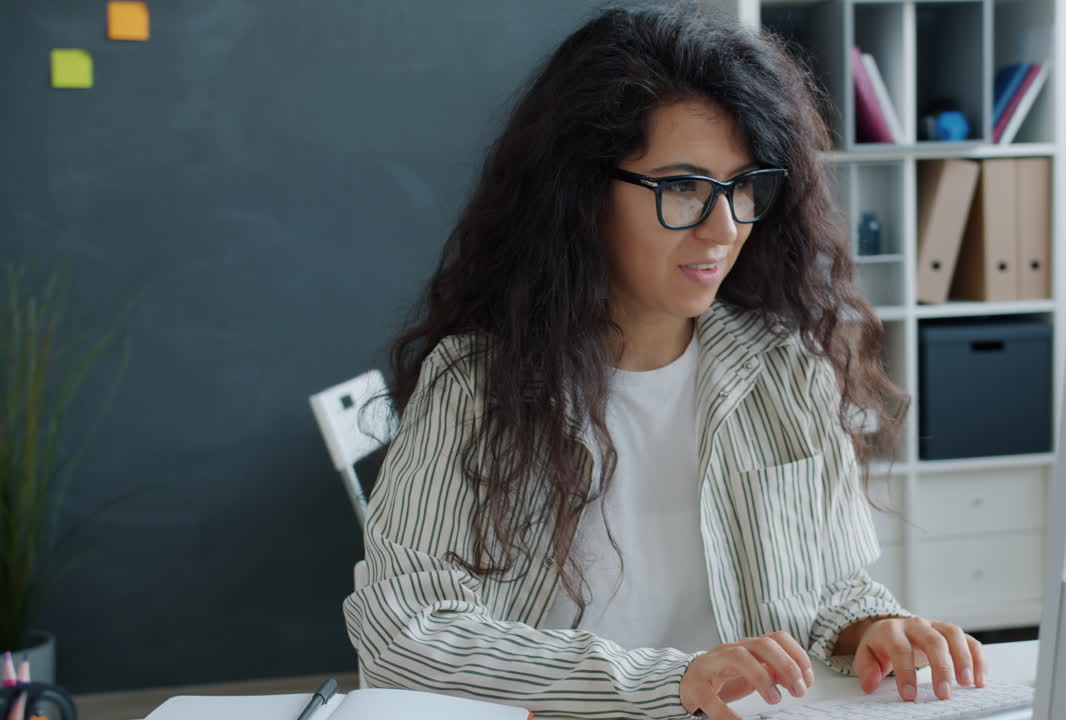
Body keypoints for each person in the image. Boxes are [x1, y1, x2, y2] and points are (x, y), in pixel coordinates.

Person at [343, 4, 986, 719]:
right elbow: (405, 629)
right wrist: (666, 681)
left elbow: (831, 583)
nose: (725, 226)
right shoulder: (478, 384)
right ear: (581, 194)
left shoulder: (785, 365)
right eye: (683, 186)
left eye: (745, 186)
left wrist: (874, 627)